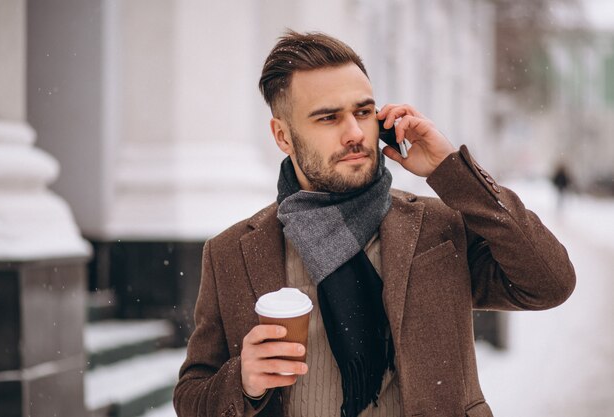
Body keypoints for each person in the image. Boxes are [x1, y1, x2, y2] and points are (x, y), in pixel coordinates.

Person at [173, 31, 576, 417]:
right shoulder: (233, 251)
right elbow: (192, 396)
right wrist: (243, 381)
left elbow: (548, 282)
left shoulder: (438, 228)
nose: (354, 134)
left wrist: (451, 171)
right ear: (283, 135)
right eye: (328, 118)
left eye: (363, 112)